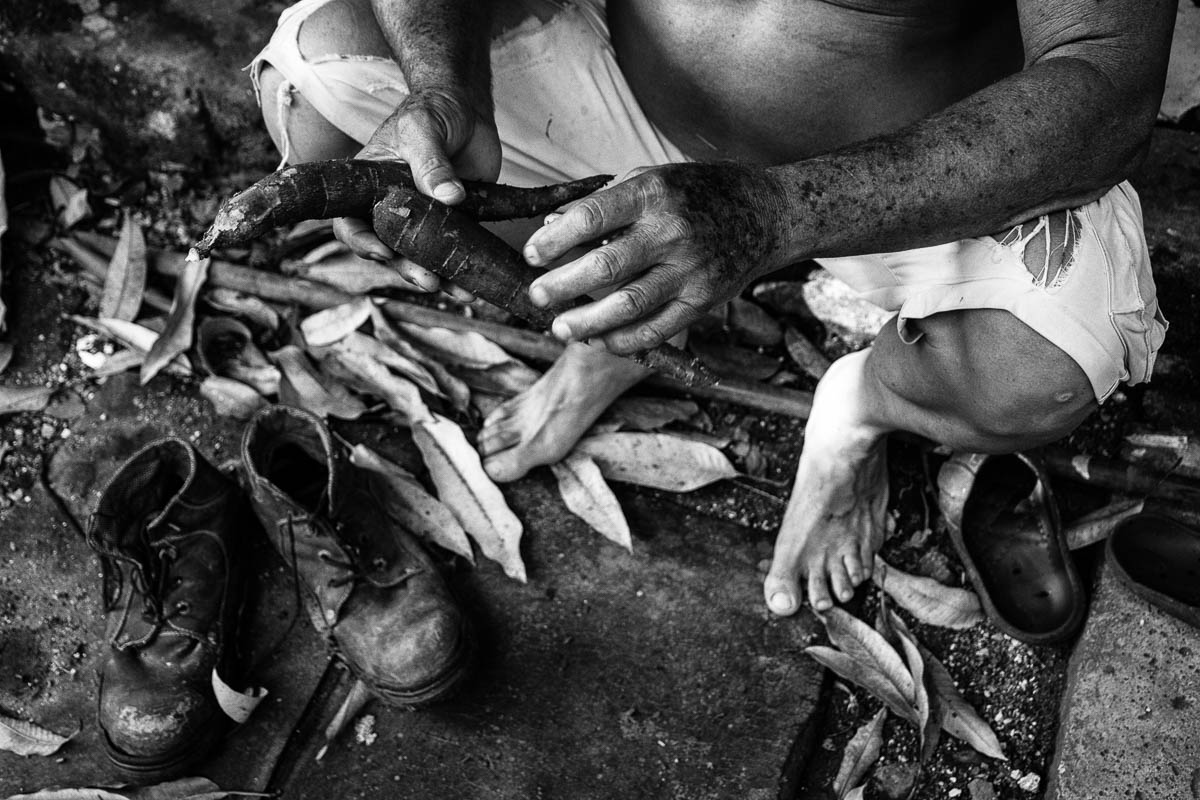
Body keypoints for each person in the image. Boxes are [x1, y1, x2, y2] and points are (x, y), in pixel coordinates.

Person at [250, 0, 1173, 616]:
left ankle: (858, 409)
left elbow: (1106, 84)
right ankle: (623, 306)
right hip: (627, 86)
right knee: (314, 85)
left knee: (1036, 373)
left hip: (914, 176)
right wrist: (447, 81)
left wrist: (775, 213)